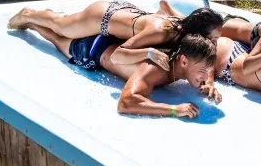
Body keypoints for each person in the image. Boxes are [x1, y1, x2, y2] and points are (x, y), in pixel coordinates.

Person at [26, 26, 220, 118]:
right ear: (183, 61)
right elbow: (125, 103)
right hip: (91, 50)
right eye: (202, 72)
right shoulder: (157, 68)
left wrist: (208, 84)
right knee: (55, 37)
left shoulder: (183, 62)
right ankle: (33, 23)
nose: (204, 76)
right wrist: (172, 110)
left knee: (60, 32)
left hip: (112, 43)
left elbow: (205, 69)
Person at [7, 1, 223, 70]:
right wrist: (149, 53)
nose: (215, 43)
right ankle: (29, 15)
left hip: (125, 13)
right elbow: (119, 55)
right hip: (102, 17)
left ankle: (34, 20)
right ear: (199, 32)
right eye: (213, 38)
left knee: (62, 28)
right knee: (60, 26)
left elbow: (165, 5)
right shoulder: (161, 32)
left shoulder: (183, 25)